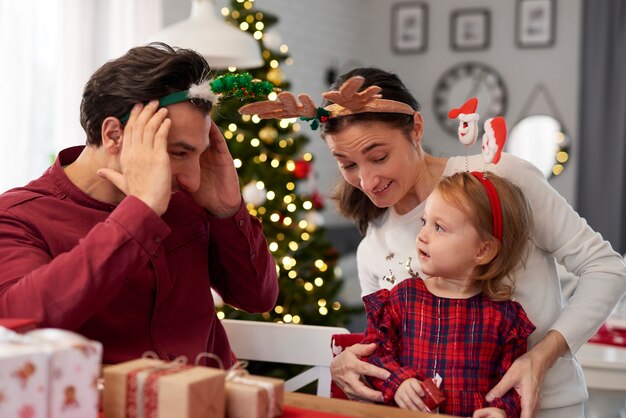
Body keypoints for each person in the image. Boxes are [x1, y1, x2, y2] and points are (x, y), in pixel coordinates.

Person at [238, 67, 626, 418]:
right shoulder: (373, 247)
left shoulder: (499, 178)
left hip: (541, 408)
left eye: (379, 156)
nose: (367, 181)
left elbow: (605, 268)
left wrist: (542, 356)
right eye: (348, 164)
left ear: (416, 128)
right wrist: (343, 363)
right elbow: (387, 348)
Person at [0, 43, 279, 368]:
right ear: (114, 135)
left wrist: (228, 212)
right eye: (177, 152)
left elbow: (257, 298)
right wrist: (140, 213)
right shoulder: (18, 218)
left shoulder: (189, 199)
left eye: (198, 154)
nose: (192, 179)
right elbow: (16, 324)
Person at [362, 171, 535, 418]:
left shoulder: (505, 318)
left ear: (482, 250)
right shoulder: (403, 298)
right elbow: (374, 353)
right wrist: (398, 382)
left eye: (439, 227)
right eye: (424, 222)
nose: (422, 235)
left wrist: (501, 412)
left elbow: (513, 386)